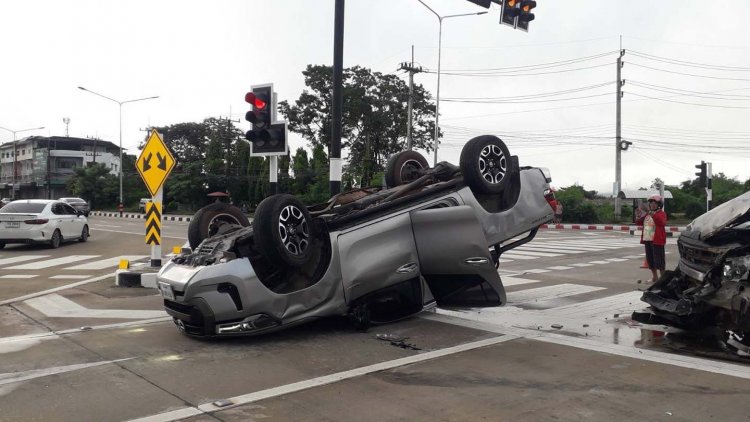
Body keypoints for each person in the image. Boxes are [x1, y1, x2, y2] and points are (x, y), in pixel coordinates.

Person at [636, 194, 667, 282]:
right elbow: (639, 222)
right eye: (651, 203)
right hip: (647, 240)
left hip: (657, 241)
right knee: (651, 260)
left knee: (660, 261)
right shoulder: (647, 215)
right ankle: (655, 278)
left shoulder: (661, 214)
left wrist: (652, 214)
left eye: (654, 203)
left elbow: (661, 222)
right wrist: (638, 215)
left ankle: (663, 280)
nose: (652, 205)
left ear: (659, 204)